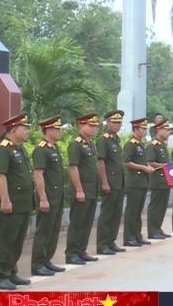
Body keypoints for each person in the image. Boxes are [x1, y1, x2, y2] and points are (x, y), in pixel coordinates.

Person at [0, 114, 33, 290]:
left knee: (17, 240)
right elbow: (0, 176)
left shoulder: (20, 148)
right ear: (14, 130)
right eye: (25, 128)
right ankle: (0, 276)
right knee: (6, 241)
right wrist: (5, 200)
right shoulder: (3, 150)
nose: (27, 132)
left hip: (23, 203)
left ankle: (11, 272)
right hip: (10, 204)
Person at [30, 116, 67, 276]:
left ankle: (47, 260)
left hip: (57, 196)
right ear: (49, 130)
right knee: (44, 231)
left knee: (54, 230)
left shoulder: (54, 148)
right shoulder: (41, 149)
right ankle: (38, 263)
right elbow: (38, 174)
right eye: (57, 129)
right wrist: (43, 198)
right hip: (48, 197)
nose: (59, 132)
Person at [65, 113, 101, 266]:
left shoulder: (90, 144)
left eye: (95, 126)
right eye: (90, 126)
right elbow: (73, 168)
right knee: (77, 222)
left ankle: (81, 250)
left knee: (87, 222)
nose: (93, 128)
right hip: (82, 190)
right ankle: (72, 253)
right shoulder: (76, 144)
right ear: (81, 126)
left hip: (91, 190)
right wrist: (79, 189)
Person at [96, 110, 126, 255]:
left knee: (116, 213)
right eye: (113, 122)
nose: (116, 125)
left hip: (118, 182)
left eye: (119, 123)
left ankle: (111, 241)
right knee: (107, 214)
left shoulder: (116, 139)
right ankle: (102, 244)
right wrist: (104, 182)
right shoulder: (104, 139)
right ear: (107, 123)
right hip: (110, 182)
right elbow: (101, 162)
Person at [123, 118, 155, 247]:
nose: (145, 131)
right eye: (143, 129)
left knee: (138, 211)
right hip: (134, 182)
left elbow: (141, 161)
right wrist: (143, 168)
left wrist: (147, 166)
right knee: (132, 211)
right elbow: (126, 162)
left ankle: (137, 235)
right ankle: (129, 237)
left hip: (142, 181)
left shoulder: (140, 144)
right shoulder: (130, 144)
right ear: (136, 129)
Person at [146, 119, 172, 240]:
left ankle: (158, 228)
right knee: (155, 206)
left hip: (165, 180)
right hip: (157, 180)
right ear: (158, 130)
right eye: (165, 130)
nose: (168, 132)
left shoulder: (162, 145)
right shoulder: (153, 146)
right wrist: (164, 166)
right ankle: (152, 230)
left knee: (162, 206)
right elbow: (150, 162)